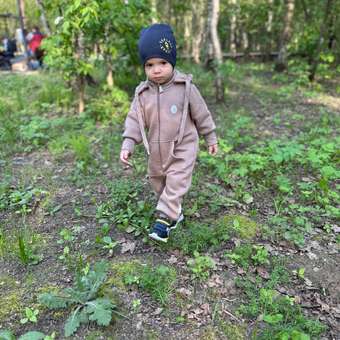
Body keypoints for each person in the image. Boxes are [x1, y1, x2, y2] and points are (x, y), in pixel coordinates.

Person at [120, 23, 218, 243]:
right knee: (158, 181)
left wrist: (210, 136)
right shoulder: (143, 94)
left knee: (176, 180)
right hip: (157, 149)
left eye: (163, 63)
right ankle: (176, 213)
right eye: (150, 64)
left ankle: (164, 218)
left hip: (183, 146)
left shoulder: (186, 88)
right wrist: (128, 143)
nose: (156, 69)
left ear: (172, 61)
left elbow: (202, 114)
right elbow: (135, 119)